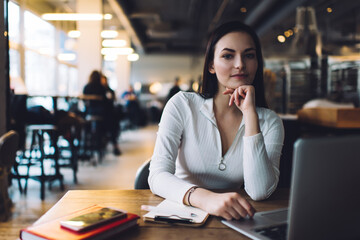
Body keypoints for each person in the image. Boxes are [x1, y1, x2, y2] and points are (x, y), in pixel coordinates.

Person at [148, 21, 285, 221]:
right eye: (228, 55)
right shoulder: (182, 105)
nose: (240, 64)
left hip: (234, 218)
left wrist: (250, 114)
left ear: (257, 63)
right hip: (183, 213)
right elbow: (157, 176)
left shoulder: (270, 121)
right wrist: (206, 199)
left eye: (249, 55)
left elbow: (259, 191)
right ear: (211, 65)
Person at [101, 74, 122, 155]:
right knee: (113, 122)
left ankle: (114, 144)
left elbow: (112, 102)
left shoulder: (109, 90)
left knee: (113, 121)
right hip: (104, 115)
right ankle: (114, 145)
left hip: (106, 113)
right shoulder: (100, 90)